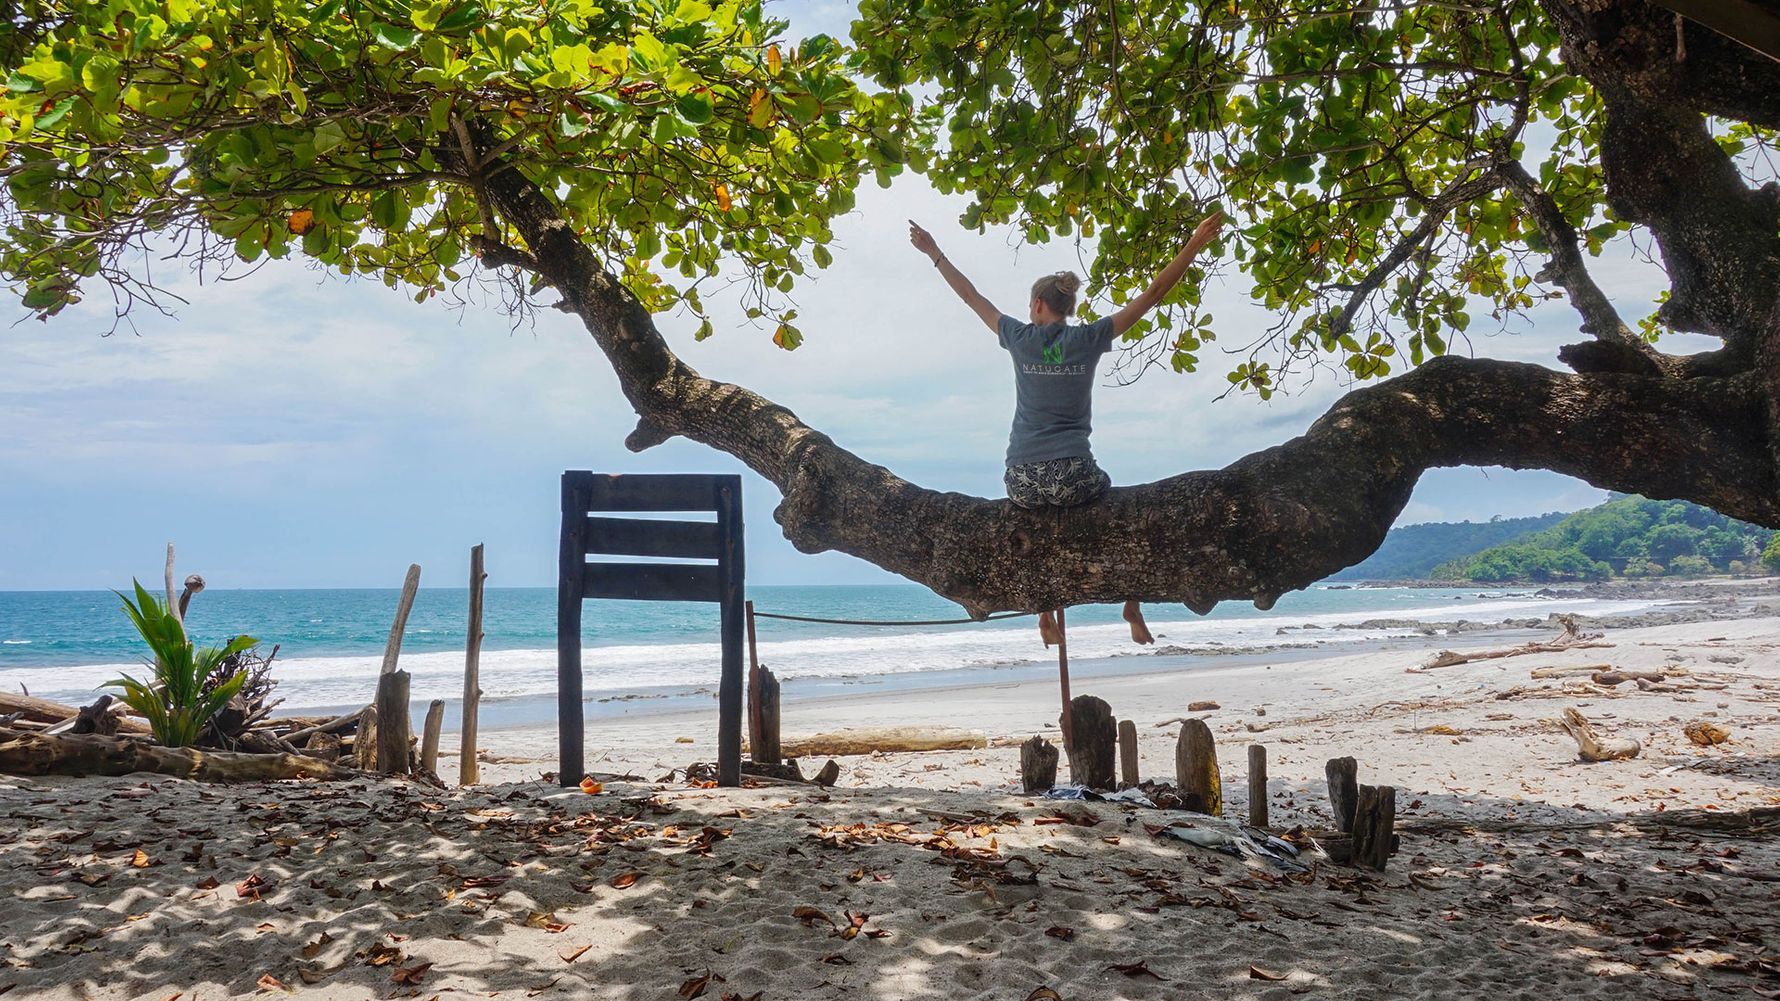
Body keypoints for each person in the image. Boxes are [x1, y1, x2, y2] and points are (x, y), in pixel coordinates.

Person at [907, 210, 1225, 644]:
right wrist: (1195, 241)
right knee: (1119, 517)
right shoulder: (1089, 338)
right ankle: (1131, 604)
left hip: (1021, 477)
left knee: (1038, 529)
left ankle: (1045, 615)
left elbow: (971, 296)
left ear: (1038, 305)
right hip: (1073, 473)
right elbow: (1152, 294)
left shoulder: (1019, 338)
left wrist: (934, 252)